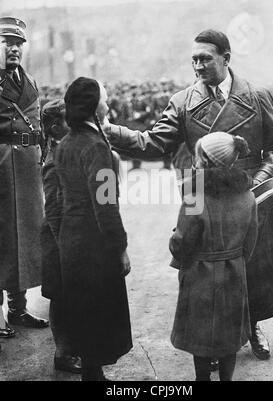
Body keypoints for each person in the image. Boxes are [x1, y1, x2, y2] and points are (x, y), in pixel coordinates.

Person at [103, 29, 273, 361]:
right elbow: (154, 143)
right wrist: (111, 132)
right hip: (203, 197)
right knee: (210, 272)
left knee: (251, 266)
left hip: (250, 196)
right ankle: (215, 341)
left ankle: (252, 328)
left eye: (205, 58)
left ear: (226, 58)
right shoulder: (182, 102)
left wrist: (260, 183)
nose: (198, 66)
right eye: (193, 59)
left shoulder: (257, 96)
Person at [55, 77, 132, 381]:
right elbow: (106, 207)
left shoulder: (66, 144)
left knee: (82, 313)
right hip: (94, 246)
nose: (108, 101)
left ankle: (91, 372)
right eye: (104, 97)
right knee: (99, 315)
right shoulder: (97, 148)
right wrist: (121, 249)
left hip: (71, 241)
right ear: (92, 106)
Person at [169, 132, 257, 381]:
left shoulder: (194, 196)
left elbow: (181, 243)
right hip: (234, 274)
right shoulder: (247, 196)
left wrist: (175, 241)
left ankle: (202, 379)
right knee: (229, 338)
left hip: (200, 275)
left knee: (201, 336)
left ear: (205, 162)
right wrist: (235, 262)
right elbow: (250, 242)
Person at [0, 16, 48, 337]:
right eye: (7, 43)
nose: (14, 49)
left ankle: (18, 308)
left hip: (28, 167)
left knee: (27, 236)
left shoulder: (28, 79)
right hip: (1, 165)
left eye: (18, 44)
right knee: (2, 235)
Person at [40, 99, 81, 374]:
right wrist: (66, 247)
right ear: (55, 128)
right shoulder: (55, 162)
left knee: (72, 296)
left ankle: (73, 348)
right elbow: (54, 211)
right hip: (60, 240)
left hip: (70, 237)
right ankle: (63, 353)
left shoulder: (67, 152)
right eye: (69, 121)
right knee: (61, 298)